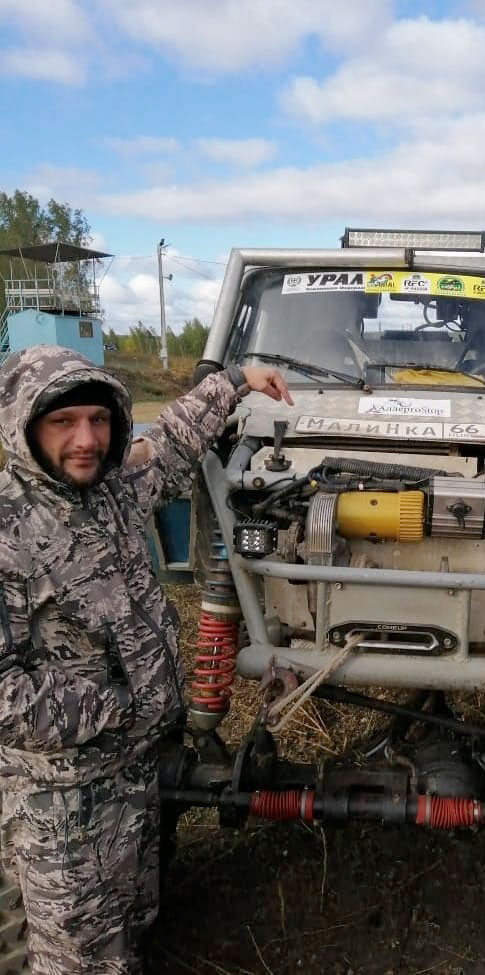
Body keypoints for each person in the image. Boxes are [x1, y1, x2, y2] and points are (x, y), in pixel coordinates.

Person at [0, 344, 293, 974]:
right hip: (64, 805)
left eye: (100, 421)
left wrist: (237, 380)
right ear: (23, 425)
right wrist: (114, 709)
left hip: (135, 774)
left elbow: (177, 442)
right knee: (79, 958)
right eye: (64, 422)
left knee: (130, 930)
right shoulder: (8, 534)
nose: (87, 439)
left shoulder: (113, 493)